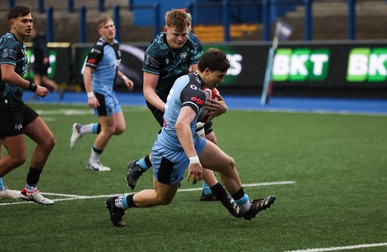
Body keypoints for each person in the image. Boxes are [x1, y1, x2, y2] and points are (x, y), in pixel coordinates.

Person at [106, 48, 276, 227]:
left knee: (227, 164)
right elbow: (181, 125)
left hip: (188, 141)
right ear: (207, 71)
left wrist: (222, 110)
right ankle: (118, 203)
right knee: (162, 198)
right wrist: (194, 160)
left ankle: (246, 207)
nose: (222, 80)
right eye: (220, 76)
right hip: (169, 152)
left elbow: (193, 116)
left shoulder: (188, 78)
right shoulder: (197, 93)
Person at [126, 9, 234, 211]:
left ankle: (140, 164)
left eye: (184, 34)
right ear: (165, 29)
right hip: (163, 100)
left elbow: (200, 75)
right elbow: (148, 90)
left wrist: (218, 100)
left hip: (189, 95)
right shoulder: (155, 51)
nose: (181, 39)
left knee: (210, 141)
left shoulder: (193, 43)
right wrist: (169, 109)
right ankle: (215, 191)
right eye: (176, 35)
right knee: (189, 142)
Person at [0, 5, 55, 205]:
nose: (29, 24)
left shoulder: (17, 42)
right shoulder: (10, 43)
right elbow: (6, 74)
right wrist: (34, 87)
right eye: (24, 21)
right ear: (12, 23)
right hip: (5, 105)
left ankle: (30, 189)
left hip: (15, 102)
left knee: (47, 140)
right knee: (17, 157)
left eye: (31, 20)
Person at [69, 16, 134, 171]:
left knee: (119, 128)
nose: (111, 29)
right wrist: (90, 95)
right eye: (106, 27)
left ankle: (81, 129)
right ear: (100, 30)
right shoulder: (98, 49)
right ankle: (92, 162)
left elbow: (112, 67)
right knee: (108, 129)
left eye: (112, 25)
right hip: (100, 93)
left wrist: (124, 78)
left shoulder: (115, 44)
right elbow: (87, 72)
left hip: (110, 92)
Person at [30, 27, 64, 99]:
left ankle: (36, 94)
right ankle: (58, 88)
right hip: (41, 62)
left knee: (37, 77)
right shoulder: (37, 39)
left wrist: (45, 57)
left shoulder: (39, 40)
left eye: (31, 31)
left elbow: (44, 49)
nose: (30, 33)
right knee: (44, 79)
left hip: (40, 62)